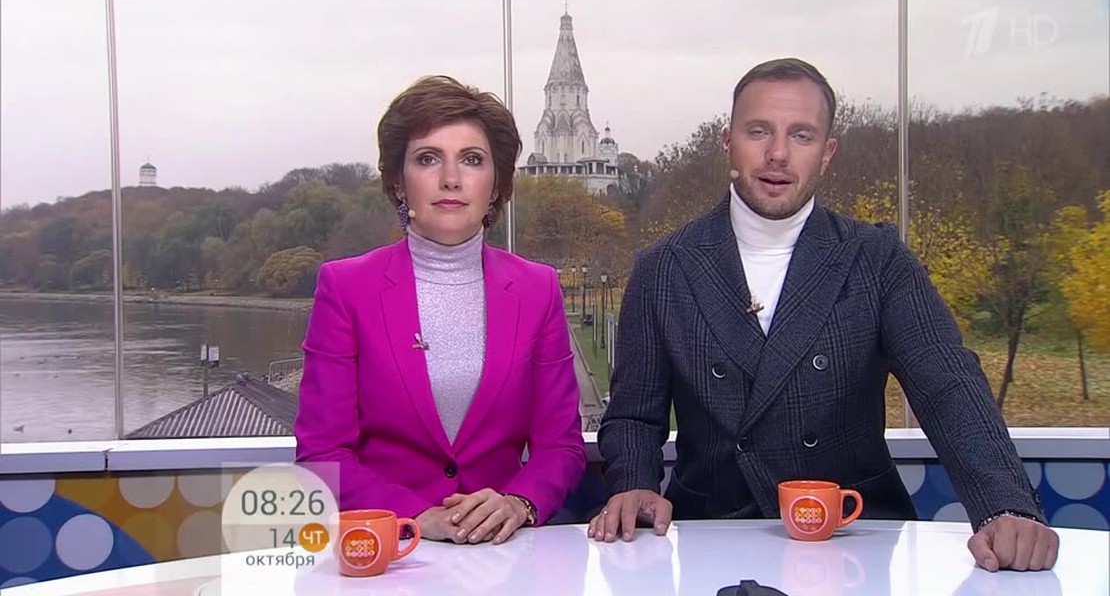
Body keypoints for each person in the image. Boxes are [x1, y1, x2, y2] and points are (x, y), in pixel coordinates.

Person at [589, 58, 1059, 572]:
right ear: (728, 142)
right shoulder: (663, 268)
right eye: (758, 131)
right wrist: (633, 483)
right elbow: (634, 415)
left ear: (827, 154)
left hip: (855, 541)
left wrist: (1006, 506)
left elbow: (948, 385)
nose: (777, 154)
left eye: (802, 136)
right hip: (711, 534)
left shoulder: (878, 261)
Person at [295, 75, 586, 545]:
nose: (451, 178)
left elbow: (561, 447)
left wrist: (518, 502)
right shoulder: (345, 288)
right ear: (398, 182)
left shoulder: (539, 289)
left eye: (472, 160)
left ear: (497, 185)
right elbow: (322, 455)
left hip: (503, 552)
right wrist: (418, 517)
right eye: (428, 158)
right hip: (388, 553)